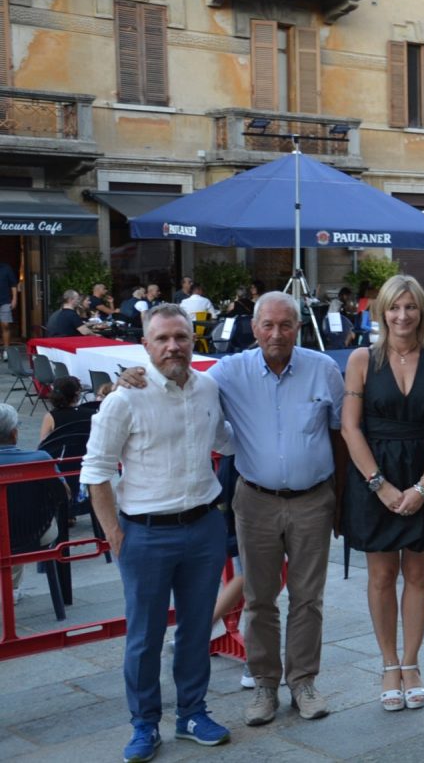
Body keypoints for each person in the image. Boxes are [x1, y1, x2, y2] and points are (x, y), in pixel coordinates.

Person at [116, 293, 347, 726]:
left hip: (314, 499)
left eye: (285, 325)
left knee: (308, 599)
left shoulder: (324, 369)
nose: (276, 334)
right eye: (268, 325)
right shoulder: (228, 372)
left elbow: (339, 434)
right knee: (259, 598)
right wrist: (129, 377)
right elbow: (175, 373)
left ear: (297, 327)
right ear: (254, 327)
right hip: (255, 499)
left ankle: (303, 682)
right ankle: (263, 683)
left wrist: (341, 500)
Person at [81, 304, 235, 760]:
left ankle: (192, 713)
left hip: (203, 526)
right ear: (145, 345)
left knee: (195, 630)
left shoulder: (208, 388)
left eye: (181, 337)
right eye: (163, 338)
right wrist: (114, 532)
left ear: (193, 340)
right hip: (145, 533)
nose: (173, 346)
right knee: (145, 637)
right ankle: (144, 724)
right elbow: (95, 471)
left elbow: (226, 441)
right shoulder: (124, 398)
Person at [341, 275, 424, 712]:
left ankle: (412, 663)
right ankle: (388, 663)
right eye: (395, 307)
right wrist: (381, 485)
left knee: (419, 574)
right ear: (382, 312)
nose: (403, 316)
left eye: (411, 307)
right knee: (380, 576)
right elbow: (350, 426)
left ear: (422, 311)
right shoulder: (361, 360)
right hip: (375, 476)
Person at [0, 404, 58, 599]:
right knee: (17, 520)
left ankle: (11, 589)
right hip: (36, 532)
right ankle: (12, 589)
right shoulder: (40, 459)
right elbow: (63, 494)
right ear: (15, 434)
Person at [38, 375, 97, 441]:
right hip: (85, 450)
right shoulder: (92, 414)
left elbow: (43, 443)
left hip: (61, 450)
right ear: (77, 393)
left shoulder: (51, 416)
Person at [0, 257, 17, 360]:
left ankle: (6, 350)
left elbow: (13, 285)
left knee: (5, 325)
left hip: (5, 301)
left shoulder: (6, 268)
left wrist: (14, 299)